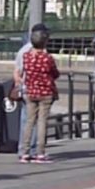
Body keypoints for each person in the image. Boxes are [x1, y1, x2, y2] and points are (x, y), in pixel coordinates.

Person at [19, 29, 60, 163]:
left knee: (29, 122)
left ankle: (25, 152)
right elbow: (55, 73)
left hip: (30, 92)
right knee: (42, 122)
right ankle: (40, 153)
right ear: (45, 42)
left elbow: (23, 71)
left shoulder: (26, 57)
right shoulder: (47, 58)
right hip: (45, 93)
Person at [12, 22, 49, 160]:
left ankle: (25, 150)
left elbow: (17, 71)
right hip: (37, 90)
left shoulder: (24, 50)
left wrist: (19, 85)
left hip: (27, 89)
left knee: (27, 121)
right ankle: (32, 150)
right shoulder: (34, 51)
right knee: (35, 121)